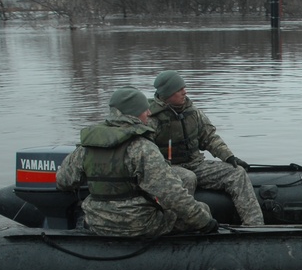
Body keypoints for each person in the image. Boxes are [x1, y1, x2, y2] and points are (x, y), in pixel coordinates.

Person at [56, 87, 218, 237]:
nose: (148, 112)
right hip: (138, 225)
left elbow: (63, 180)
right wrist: (204, 222)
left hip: (97, 223)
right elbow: (172, 194)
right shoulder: (141, 148)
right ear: (133, 113)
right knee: (203, 209)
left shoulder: (87, 147)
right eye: (144, 109)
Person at [147, 70, 265, 226]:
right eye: (179, 89)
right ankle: (181, 226)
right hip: (168, 169)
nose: (185, 92)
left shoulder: (193, 112)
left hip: (196, 164)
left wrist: (228, 156)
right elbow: (145, 153)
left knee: (237, 173)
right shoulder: (151, 119)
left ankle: (255, 226)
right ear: (168, 94)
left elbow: (209, 137)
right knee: (188, 177)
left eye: (184, 87)